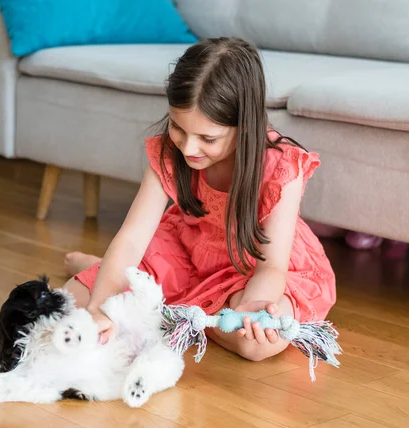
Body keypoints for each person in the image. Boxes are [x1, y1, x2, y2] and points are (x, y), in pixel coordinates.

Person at [62, 37, 336, 362]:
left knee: (254, 344)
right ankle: (170, 307)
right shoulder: (169, 152)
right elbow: (133, 239)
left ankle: (160, 308)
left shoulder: (281, 166)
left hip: (252, 266)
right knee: (71, 299)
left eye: (208, 138)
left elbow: (271, 266)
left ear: (245, 126)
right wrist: (100, 307)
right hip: (187, 249)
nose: (189, 149)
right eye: (178, 128)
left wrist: (252, 307)